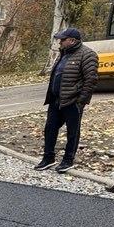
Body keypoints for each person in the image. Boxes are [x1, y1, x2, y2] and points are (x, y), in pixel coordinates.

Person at [35, 27, 98, 173]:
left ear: (72, 40)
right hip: (55, 100)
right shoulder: (63, 54)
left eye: (62, 39)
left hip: (72, 101)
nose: (60, 42)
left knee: (72, 132)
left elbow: (91, 79)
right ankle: (48, 158)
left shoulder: (87, 54)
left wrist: (81, 100)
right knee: (50, 129)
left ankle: (68, 160)